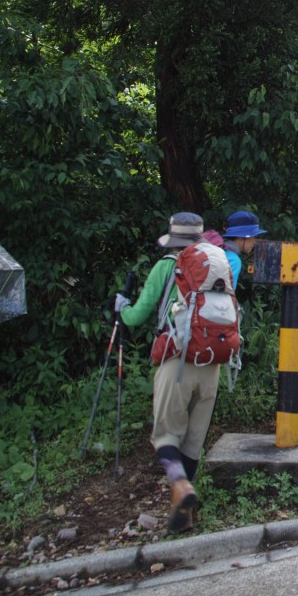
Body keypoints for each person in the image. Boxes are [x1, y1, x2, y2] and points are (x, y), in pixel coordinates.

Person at [114, 212, 239, 533]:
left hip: (177, 361)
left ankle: (181, 487)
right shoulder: (217, 265)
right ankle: (183, 513)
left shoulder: (168, 265)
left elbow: (138, 314)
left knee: (166, 436)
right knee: (193, 442)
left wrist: (121, 309)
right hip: (212, 360)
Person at [221, 209, 266, 291]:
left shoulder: (220, 251)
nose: (255, 241)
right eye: (254, 236)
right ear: (241, 236)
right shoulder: (233, 260)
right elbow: (225, 296)